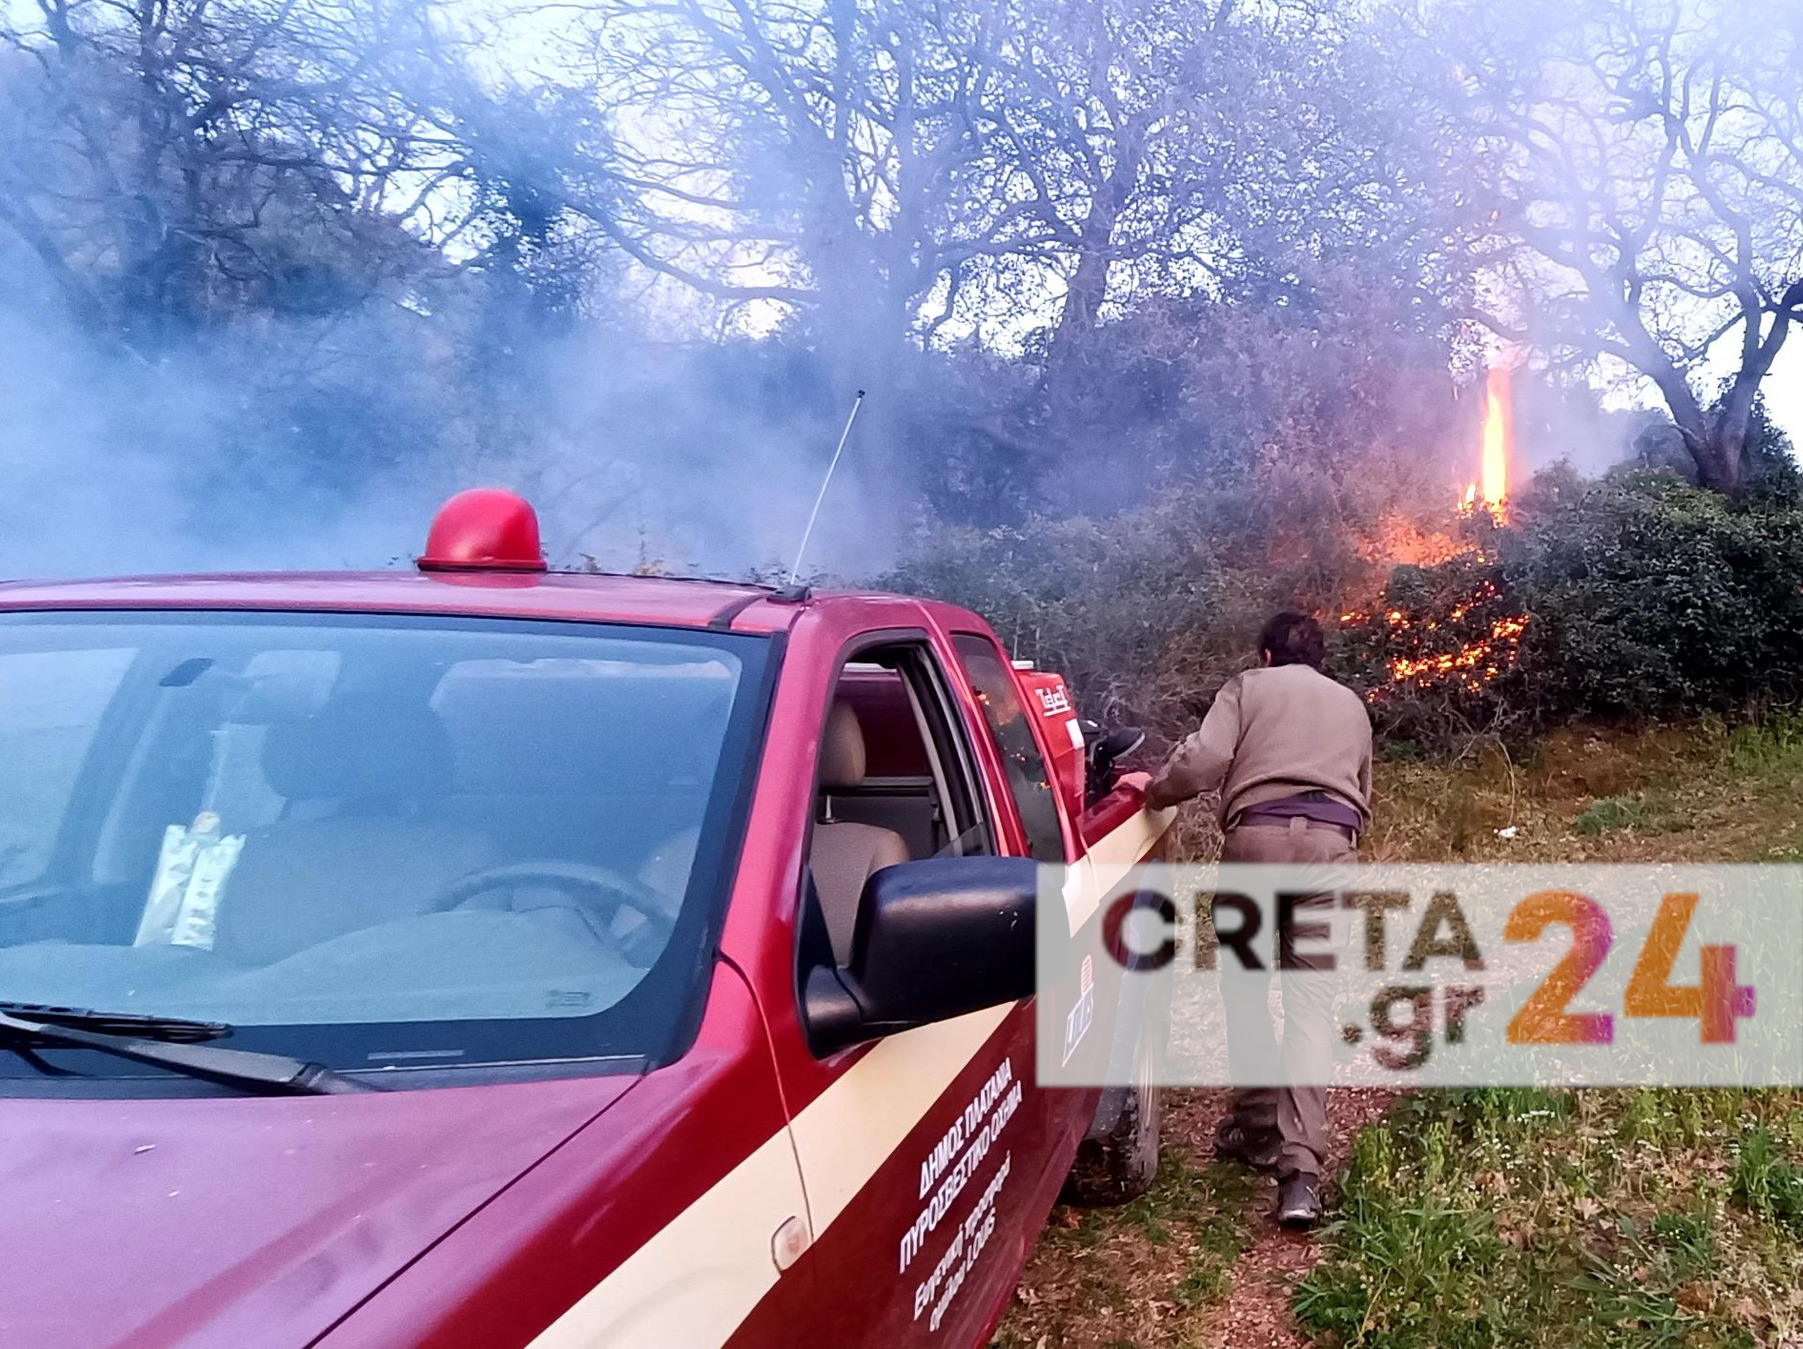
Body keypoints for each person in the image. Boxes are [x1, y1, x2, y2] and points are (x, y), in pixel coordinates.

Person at [1144, 611, 1372, 1229]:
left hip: (1257, 845)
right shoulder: (1351, 703)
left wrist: (1153, 792)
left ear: (1267, 656)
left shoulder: (1248, 687)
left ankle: (1255, 1127)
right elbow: (1363, 791)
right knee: (1309, 1005)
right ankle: (1300, 1173)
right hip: (1331, 850)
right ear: (1320, 660)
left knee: (1244, 990)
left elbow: (1203, 761)